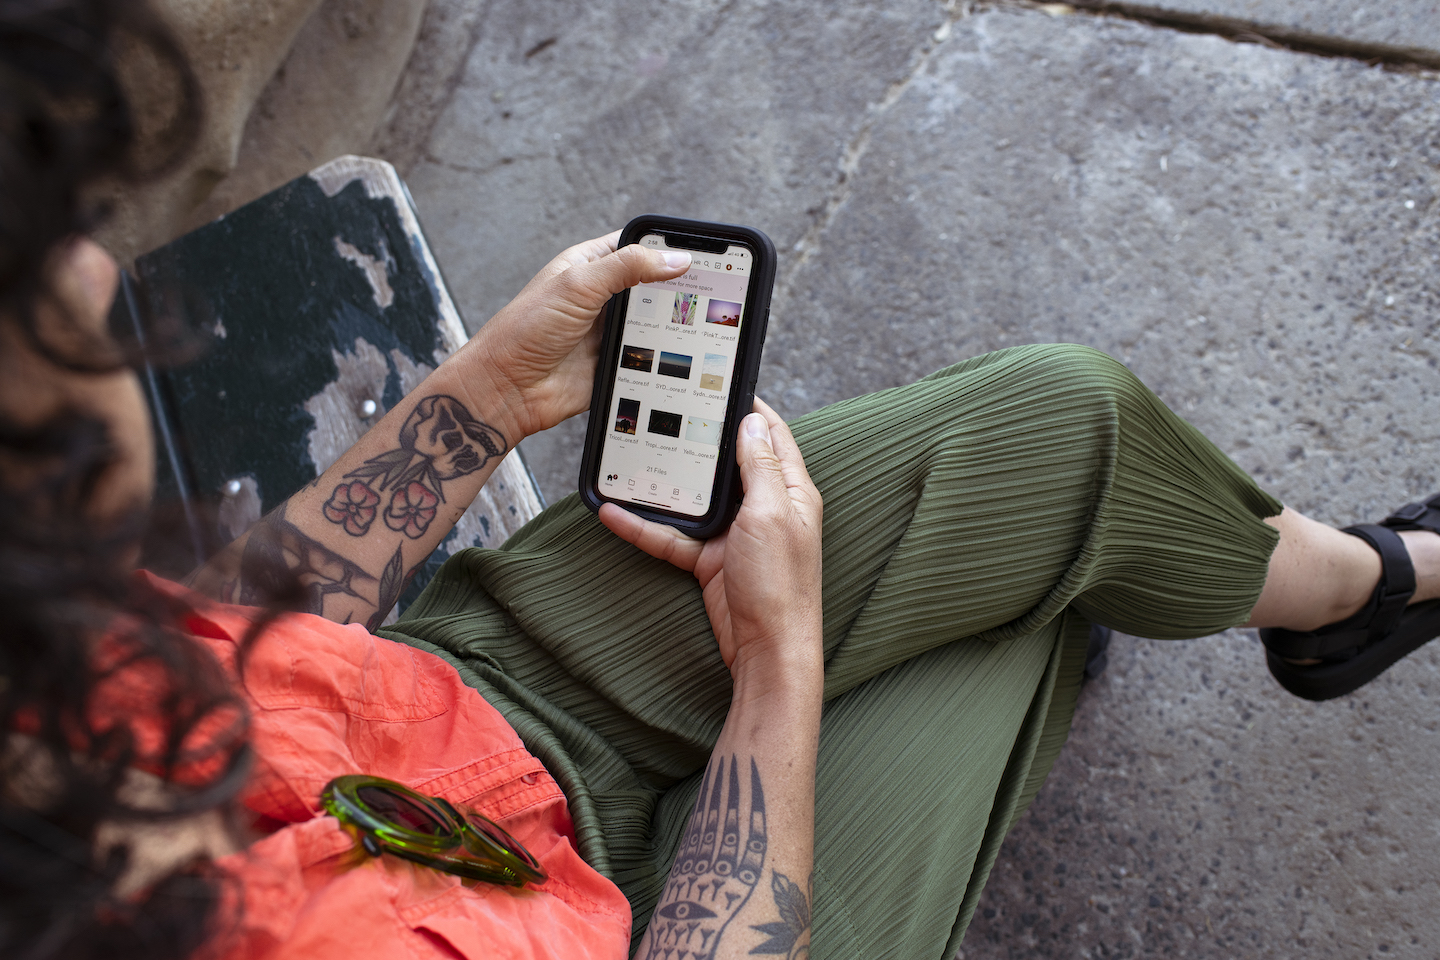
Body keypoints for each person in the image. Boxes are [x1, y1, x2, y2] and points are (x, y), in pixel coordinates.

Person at [2, 2, 1438, 959]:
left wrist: (488, 396)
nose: (92, 268)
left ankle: (1355, 592)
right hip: (645, 924)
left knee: (1066, 427)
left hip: (477, 693)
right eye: (38, 290)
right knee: (1025, 620)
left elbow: (227, 653)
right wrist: (777, 672)